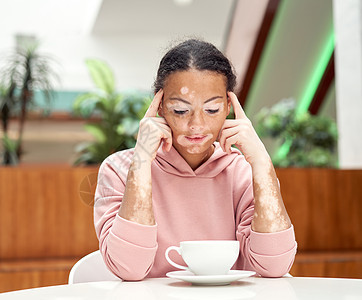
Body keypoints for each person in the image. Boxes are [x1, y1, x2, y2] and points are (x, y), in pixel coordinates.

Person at [94, 39, 297, 281]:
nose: (196, 125)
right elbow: (129, 268)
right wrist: (141, 164)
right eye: (181, 110)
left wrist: (262, 164)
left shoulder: (241, 172)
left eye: (211, 110)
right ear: (159, 108)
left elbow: (275, 267)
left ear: (228, 108)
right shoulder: (118, 169)